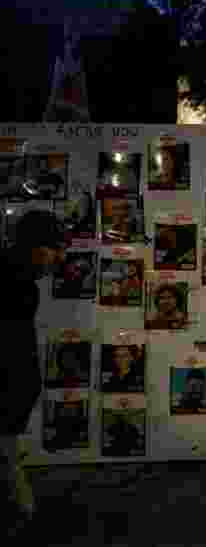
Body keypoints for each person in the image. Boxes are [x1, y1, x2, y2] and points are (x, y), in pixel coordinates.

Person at [0, 210, 65, 536]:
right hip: (6, 399)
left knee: (11, 463)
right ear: (34, 246)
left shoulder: (22, 280)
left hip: (11, 399)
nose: (58, 257)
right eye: (54, 248)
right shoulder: (13, 281)